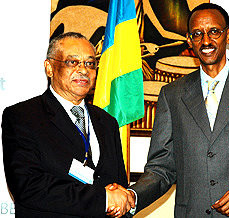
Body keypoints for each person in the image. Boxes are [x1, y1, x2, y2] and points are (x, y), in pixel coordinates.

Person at [109, 3, 229, 218]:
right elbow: (161, 168)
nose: (206, 41)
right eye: (197, 34)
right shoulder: (172, 95)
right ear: (189, 41)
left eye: (214, 32)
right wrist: (133, 196)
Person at [1, 32, 134, 218]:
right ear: (49, 67)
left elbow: (118, 185)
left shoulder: (107, 122)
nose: (83, 70)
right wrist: (103, 199)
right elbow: (28, 186)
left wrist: (122, 200)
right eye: (73, 62)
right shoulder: (22, 117)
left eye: (90, 63)